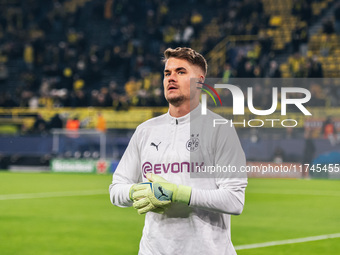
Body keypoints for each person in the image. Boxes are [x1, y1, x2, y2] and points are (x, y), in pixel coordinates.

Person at [109, 47, 247, 255]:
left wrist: (178, 193)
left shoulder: (220, 129)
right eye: (167, 73)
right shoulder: (145, 131)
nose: (171, 78)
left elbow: (235, 200)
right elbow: (116, 188)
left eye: (180, 72)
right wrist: (140, 191)